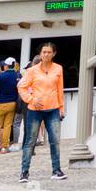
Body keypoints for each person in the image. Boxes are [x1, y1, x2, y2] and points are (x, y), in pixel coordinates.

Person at [18, 42, 67, 183]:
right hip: (35, 110)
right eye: (44, 52)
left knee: (55, 140)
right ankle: (24, 172)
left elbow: (60, 90)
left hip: (53, 109)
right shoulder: (32, 71)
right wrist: (31, 99)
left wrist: (61, 108)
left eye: (49, 52)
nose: (46, 54)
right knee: (30, 141)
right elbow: (21, 87)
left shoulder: (58, 69)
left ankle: (56, 170)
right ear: (40, 54)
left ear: (54, 54)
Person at [0, 57, 21, 155]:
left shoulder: (0, 76)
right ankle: (4, 147)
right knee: (8, 125)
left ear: (6, 66)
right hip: (13, 104)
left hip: (1, 103)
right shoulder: (18, 75)